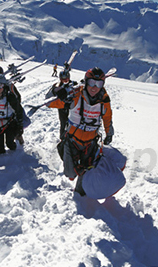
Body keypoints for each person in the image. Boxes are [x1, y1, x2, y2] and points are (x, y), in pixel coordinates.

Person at [45, 67, 114, 195]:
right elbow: (48, 102)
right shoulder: (75, 95)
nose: (94, 87)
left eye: (99, 84)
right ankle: (63, 152)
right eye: (91, 83)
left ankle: (80, 195)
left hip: (90, 143)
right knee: (70, 174)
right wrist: (56, 90)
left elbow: (107, 117)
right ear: (86, 82)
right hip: (72, 141)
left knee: (87, 170)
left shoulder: (104, 100)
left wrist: (109, 133)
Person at [47, 70, 77, 139]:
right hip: (62, 108)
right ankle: (62, 138)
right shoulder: (57, 86)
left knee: (73, 124)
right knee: (63, 123)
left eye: (66, 78)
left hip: (73, 108)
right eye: (63, 79)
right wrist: (54, 91)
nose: (65, 80)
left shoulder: (73, 84)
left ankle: (73, 138)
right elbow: (48, 97)